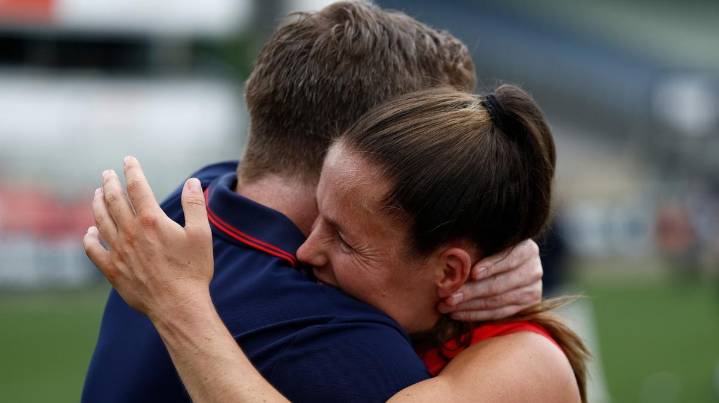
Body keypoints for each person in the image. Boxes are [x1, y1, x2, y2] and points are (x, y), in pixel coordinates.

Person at [81, 3, 544, 403]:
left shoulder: (186, 204)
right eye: (430, 135)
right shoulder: (336, 331)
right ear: (370, 145)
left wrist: (486, 257)